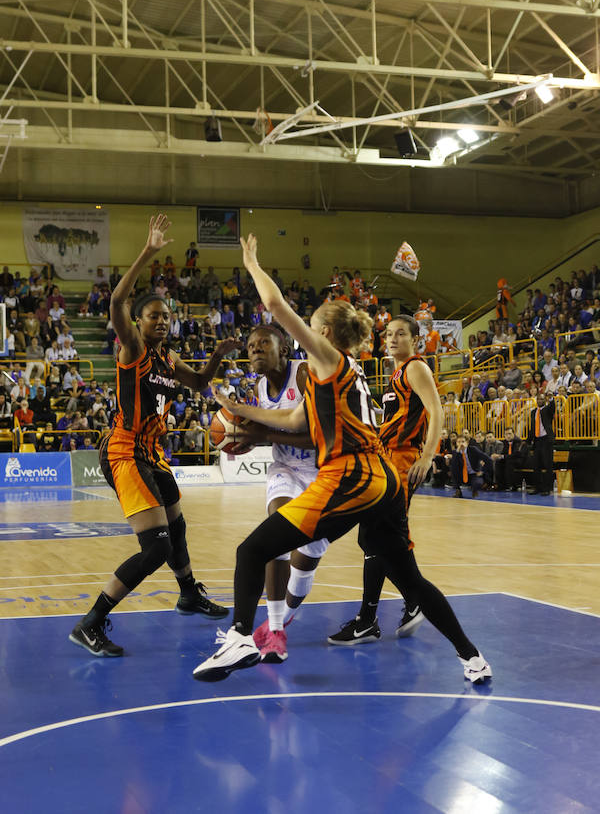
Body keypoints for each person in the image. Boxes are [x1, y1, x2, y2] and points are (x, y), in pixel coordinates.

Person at [192, 234, 491, 684]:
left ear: (325, 333)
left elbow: (274, 306)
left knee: (251, 550)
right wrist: (237, 410)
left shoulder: (329, 358)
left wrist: (251, 262)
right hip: (383, 481)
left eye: (310, 326)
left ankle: (239, 636)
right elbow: (293, 419)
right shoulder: (331, 375)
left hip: (349, 475)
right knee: (409, 580)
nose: (305, 333)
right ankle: (472, 657)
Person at [69, 215, 230, 659]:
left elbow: (199, 384)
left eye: (166, 316)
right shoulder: (134, 350)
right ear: (138, 322)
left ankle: (187, 594)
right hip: (124, 449)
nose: (161, 320)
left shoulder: (167, 358)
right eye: (153, 315)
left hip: (153, 453)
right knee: (156, 546)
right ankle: (91, 622)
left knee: (176, 527)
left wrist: (216, 356)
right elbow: (117, 300)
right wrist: (148, 252)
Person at [326, 314, 444, 646]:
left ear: (416, 340)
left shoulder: (416, 368)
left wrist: (427, 455)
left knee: (377, 537)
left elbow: (437, 410)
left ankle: (374, 616)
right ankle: (396, 605)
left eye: (401, 334)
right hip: (388, 460)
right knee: (377, 539)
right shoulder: (397, 374)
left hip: (405, 460)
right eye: (389, 334)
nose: (391, 339)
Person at [231, 325, 324, 664]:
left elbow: (319, 436)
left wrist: (264, 436)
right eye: (250, 344)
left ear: (283, 349)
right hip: (284, 469)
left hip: (322, 474)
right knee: (276, 533)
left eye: (263, 344)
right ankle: (275, 632)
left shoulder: (303, 375)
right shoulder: (259, 385)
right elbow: (268, 432)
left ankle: (284, 616)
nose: (254, 349)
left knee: (304, 567)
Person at [527, 392, 555, 495]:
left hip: (546, 440)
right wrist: (528, 441)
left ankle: (547, 489)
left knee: (548, 465)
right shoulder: (533, 412)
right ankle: (538, 487)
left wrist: (551, 398)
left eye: (542, 399)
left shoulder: (547, 410)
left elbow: (552, 408)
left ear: (545, 400)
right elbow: (533, 427)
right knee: (536, 465)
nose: (540, 401)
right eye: (538, 399)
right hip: (537, 441)